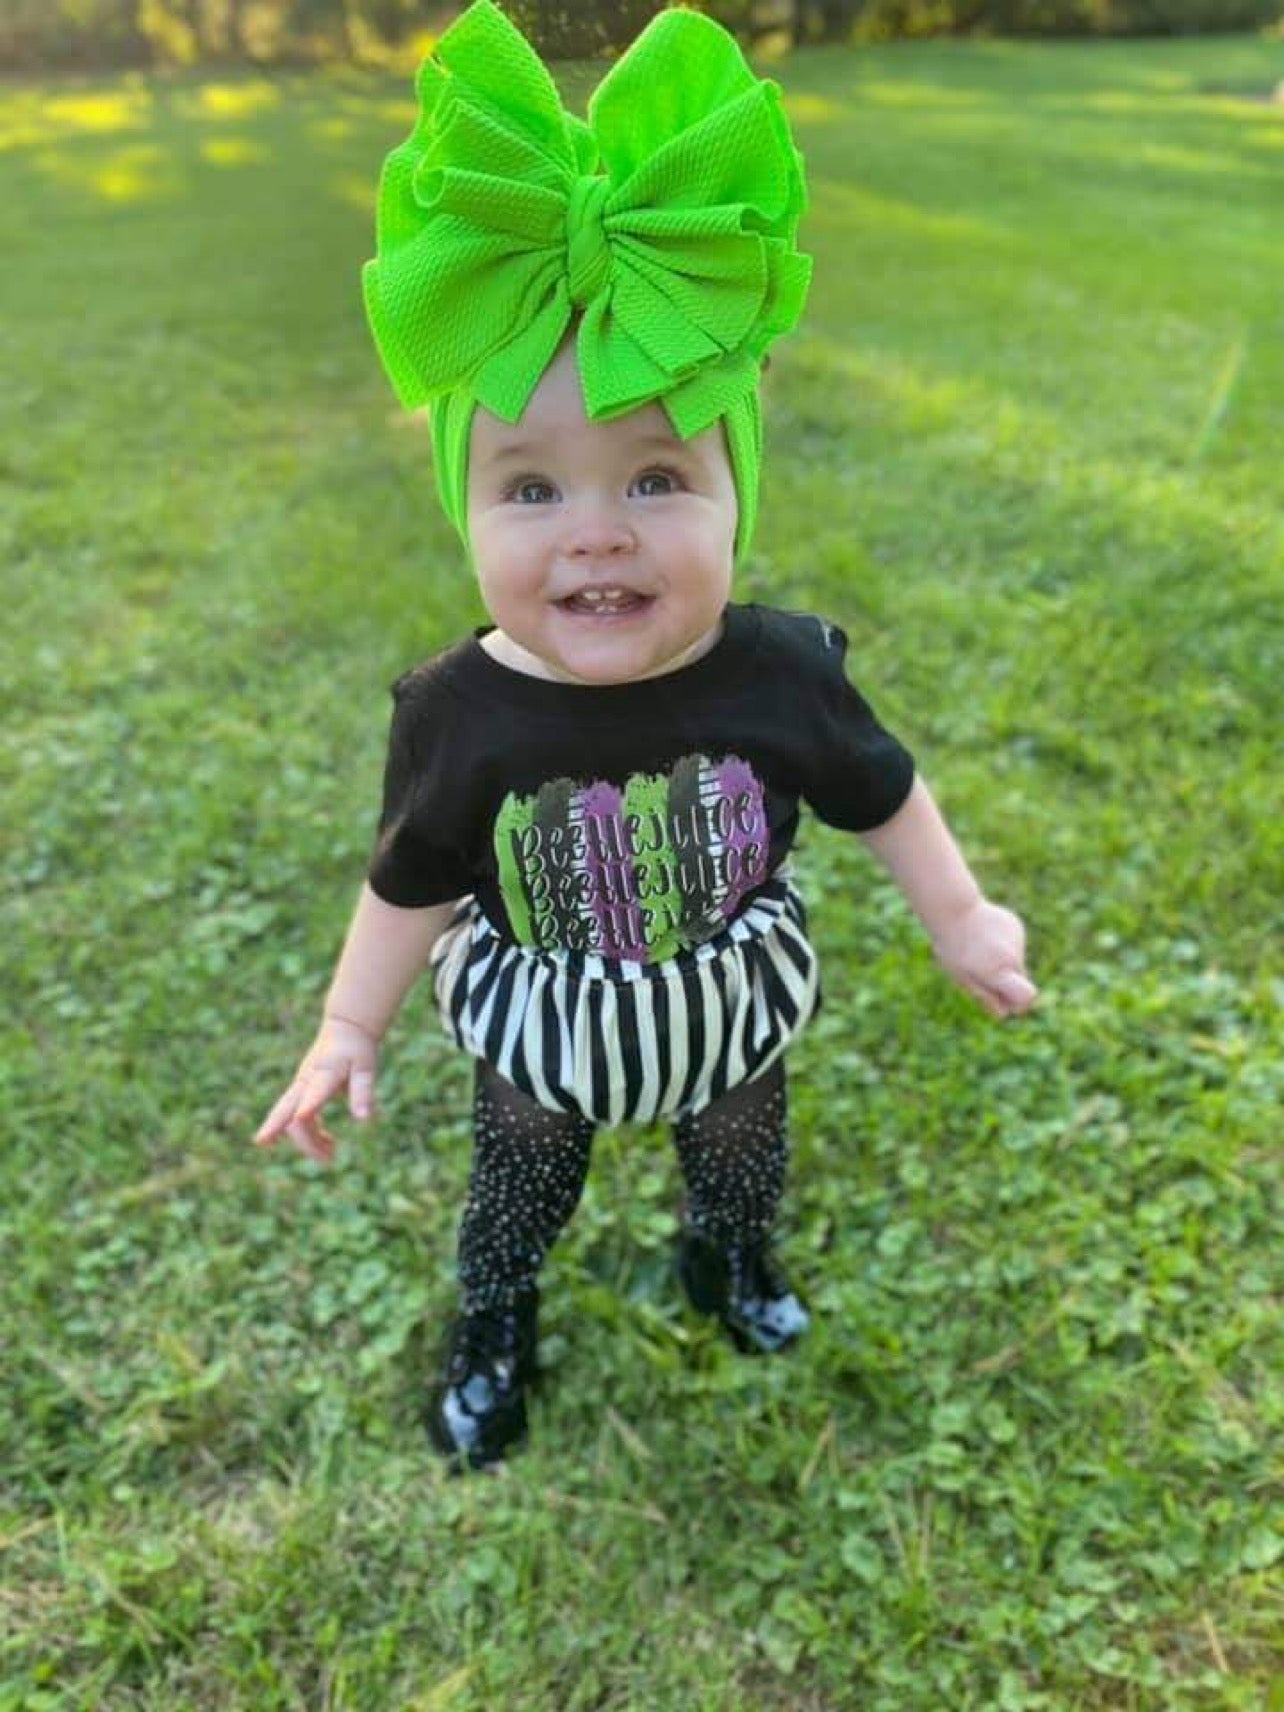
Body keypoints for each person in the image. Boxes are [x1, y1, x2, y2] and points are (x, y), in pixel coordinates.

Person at [254, 0, 1038, 1471]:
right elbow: (411, 878)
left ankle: (727, 1259)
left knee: (744, 1151)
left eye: (659, 478)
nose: (597, 532)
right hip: (544, 1022)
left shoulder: (780, 671)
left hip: (721, 1003)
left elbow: (880, 792)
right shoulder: (458, 709)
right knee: (518, 1183)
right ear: (466, 509)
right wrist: (347, 1028)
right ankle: (497, 1320)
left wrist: (962, 916)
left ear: (739, 494)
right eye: (531, 489)